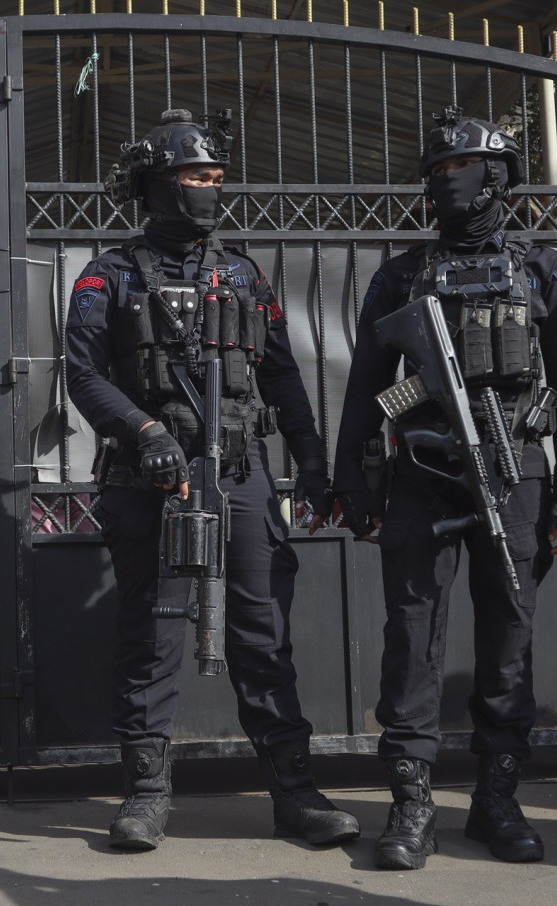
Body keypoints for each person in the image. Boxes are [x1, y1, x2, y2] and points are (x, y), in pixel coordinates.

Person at [65, 108, 359, 852]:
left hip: (241, 472)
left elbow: (283, 376)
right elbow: (85, 375)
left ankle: (295, 794)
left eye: (217, 178)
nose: (210, 190)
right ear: (158, 185)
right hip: (148, 482)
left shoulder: (242, 274)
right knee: (154, 639)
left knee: (263, 637)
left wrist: (313, 461)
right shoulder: (109, 274)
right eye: (197, 177)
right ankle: (145, 796)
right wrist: (145, 431)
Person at [330, 106, 557, 870]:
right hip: (421, 476)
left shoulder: (549, 269)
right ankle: (412, 804)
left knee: (508, 636)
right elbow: (367, 389)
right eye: (436, 173)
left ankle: (497, 799)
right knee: (411, 640)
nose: (447, 182)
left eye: (461, 168)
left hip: (516, 472)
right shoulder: (399, 273)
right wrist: (354, 479)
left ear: (498, 177)